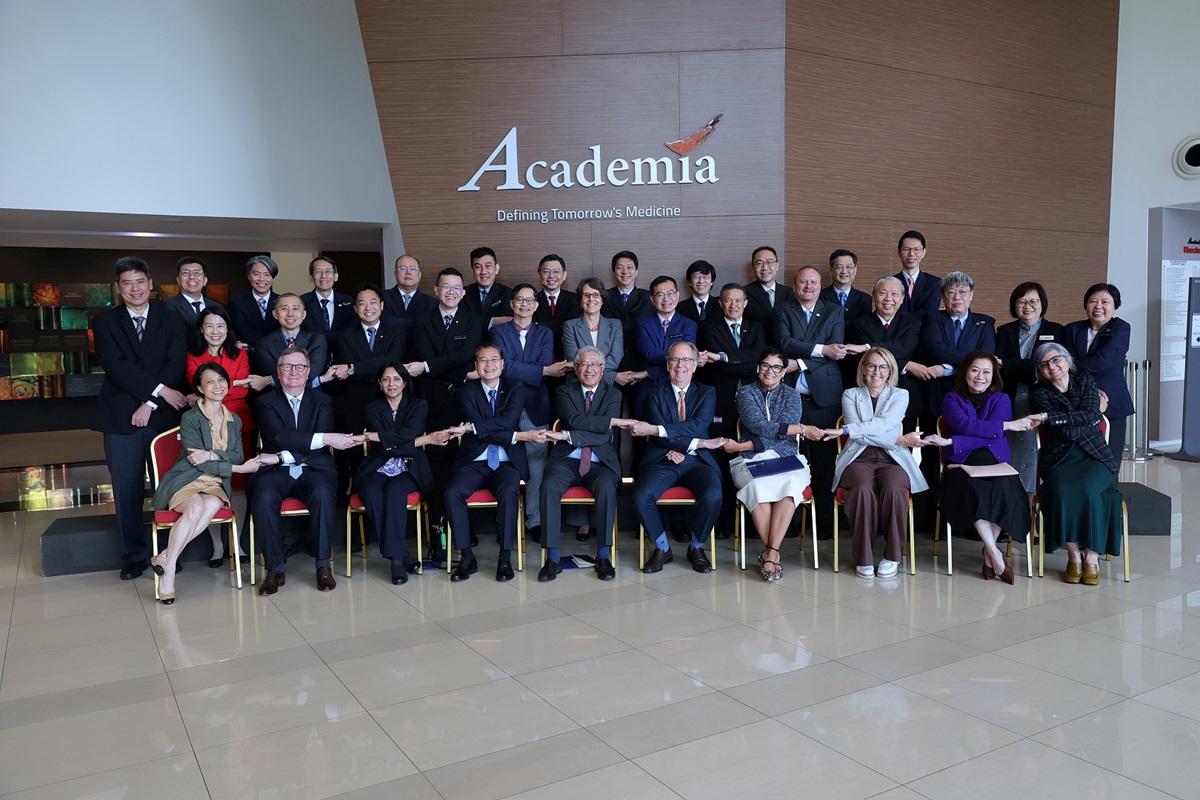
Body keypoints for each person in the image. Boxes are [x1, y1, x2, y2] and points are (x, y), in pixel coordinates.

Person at [92, 256, 189, 580]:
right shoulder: (105, 322)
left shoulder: (172, 319)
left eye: (139, 281)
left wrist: (149, 402)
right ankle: (133, 555)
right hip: (121, 419)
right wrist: (158, 391)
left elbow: (175, 363)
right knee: (127, 489)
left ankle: (171, 551)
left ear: (150, 284)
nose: (134, 288)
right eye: (126, 283)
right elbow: (116, 366)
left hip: (162, 419)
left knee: (171, 488)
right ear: (118, 288)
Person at [150, 363, 270, 602]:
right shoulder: (191, 417)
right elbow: (198, 461)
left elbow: (236, 454)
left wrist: (213, 453)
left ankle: (165, 556)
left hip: (216, 482)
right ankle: (170, 572)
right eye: (210, 382)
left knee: (212, 506)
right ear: (199, 388)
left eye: (221, 380)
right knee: (195, 508)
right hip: (187, 478)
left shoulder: (234, 419)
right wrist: (236, 467)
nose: (217, 386)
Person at [251, 348, 361, 595]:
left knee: (323, 492)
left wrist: (287, 452)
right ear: (278, 372)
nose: (294, 372)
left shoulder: (322, 401)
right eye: (287, 366)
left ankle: (323, 565)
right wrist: (323, 438)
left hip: (314, 468)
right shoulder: (265, 402)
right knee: (264, 496)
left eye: (300, 367)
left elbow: (312, 445)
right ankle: (275, 569)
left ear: (308, 372)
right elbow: (278, 436)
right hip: (275, 471)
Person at [923, 352, 1038, 584]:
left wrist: (954, 441)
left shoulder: (1002, 399)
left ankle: (989, 552)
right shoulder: (951, 398)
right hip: (961, 463)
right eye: (975, 370)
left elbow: (993, 436)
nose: (980, 376)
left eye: (986, 371)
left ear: (994, 375)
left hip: (995, 462)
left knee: (1007, 489)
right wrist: (1006, 425)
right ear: (965, 372)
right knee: (974, 490)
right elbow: (965, 425)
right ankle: (994, 553)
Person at [827, 347, 928, 578]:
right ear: (863, 369)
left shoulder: (901, 394)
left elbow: (883, 424)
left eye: (883, 367)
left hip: (891, 458)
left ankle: (892, 555)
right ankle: (863, 556)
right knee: (862, 488)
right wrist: (899, 438)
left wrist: (845, 429)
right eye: (871, 365)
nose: (876, 372)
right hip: (858, 457)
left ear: (890, 371)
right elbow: (859, 437)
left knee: (894, 488)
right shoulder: (850, 394)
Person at [445, 345, 542, 583]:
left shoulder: (515, 388)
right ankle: (467, 556)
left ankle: (504, 557)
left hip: (506, 461)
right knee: (451, 493)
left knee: (509, 492)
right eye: (482, 361)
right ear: (476, 366)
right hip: (474, 460)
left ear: (502, 364)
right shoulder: (466, 391)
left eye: (493, 360)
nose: (488, 365)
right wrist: (516, 436)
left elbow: (508, 420)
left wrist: (474, 428)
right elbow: (485, 431)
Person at [722, 347, 819, 581]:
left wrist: (743, 445)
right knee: (758, 488)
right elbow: (759, 426)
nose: (770, 371)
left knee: (790, 488)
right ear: (758, 368)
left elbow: (783, 433)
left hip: (787, 459)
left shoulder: (793, 395)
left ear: (784, 371)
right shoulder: (745, 393)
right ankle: (773, 554)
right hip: (751, 461)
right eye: (765, 365)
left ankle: (769, 553)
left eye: (777, 367)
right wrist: (799, 429)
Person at [629, 341, 726, 574]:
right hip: (663, 457)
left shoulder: (707, 392)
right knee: (641, 497)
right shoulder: (654, 394)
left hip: (697, 460)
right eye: (674, 360)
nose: (680, 365)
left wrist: (685, 444)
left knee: (713, 495)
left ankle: (697, 547)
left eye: (686, 360)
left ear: (694, 365)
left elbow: (696, 425)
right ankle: (662, 548)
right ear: (667, 364)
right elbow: (660, 429)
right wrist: (698, 442)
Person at [1030, 342, 1122, 585]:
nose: (1052, 366)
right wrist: (1086, 417)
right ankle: (1073, 556)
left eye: (1056, 360)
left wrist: (1052, 417)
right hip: (1060, 458)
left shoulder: (1086, 381)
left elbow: (1093, 415)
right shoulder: (1040, 394)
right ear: (1040, 371)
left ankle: (1091, 557)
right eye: (1045, 364)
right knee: (1060, 491)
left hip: (1095, 457)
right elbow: (1081, 423)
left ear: (1068, 361)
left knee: (1091, 491)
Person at [911, 271, 996, 525]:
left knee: (967, 452)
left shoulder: (985, 323)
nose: (956, 298)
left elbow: (986, 357)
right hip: (935, 397)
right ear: (943, 298)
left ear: (971, 296)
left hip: (973, 400)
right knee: (931, 455)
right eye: (950, 293)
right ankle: (929, 518)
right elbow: (936, 349)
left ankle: (966, 518)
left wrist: (947, 368)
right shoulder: (932, 319)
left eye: (961, 292)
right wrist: (971, 359)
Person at [537, 348, 628, 582]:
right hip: (567, 459)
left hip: (600, 462)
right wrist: (605, 424)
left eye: (594, 365)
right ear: (576, 369)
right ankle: (553, 558)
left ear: (602, 369)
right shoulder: (564, 391)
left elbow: (605, 436)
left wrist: (570, 435)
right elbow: (573, 420)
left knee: (608, 487)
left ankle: (603, 556)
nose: (589, 370)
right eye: (584, 365)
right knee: (548, 485)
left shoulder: (614, 393)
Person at [357, 363, 453, 585]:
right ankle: (402, 553)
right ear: (380, 384)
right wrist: (424, 440)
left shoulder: (419, 405)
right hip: (378, 465)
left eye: (396, 379)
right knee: (370, 491)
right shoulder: (371, 408)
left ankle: (396, 562)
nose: (391, 384)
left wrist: (378, 437)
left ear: (404, 383)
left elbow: (396, 439)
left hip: (410, 466)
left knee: (395, 490)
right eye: (386, 379)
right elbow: (388, 447)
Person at [405, 268, 482, 535]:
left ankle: (463, 529)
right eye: (446, 287)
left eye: (457, 287)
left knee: (463, 464)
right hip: (432, 401)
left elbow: (466, 354)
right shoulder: (422, 320)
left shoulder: (473, 319)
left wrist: (428, 366)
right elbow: (433, 355)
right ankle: (438, 530)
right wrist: (459, 371)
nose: (451, 292)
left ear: (463, 292)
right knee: (436, 465)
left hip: (464, 402)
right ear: (436, 290)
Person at [490, 284, 568, 543]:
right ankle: (506, 522)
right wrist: (539, 372)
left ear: (536, 305)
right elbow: (504, 367)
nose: (524, 304)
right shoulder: (498, 332)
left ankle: (534, 520)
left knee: (537, 464)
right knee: (504, 461)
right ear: (511, 304)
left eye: (529, 301)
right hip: (504, 405)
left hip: (536, 404)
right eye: (519, 300)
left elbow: (540, 362)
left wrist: (530, 369)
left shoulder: (545, 333)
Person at [186, 308, 260, 566]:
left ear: (228, 329)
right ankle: (217, 547)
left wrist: (212, 394)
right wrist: (233, 385)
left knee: (238, 485)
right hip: (206, 426)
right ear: (201, 330)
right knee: (211, 483)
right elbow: (212, 389)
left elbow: (241, 393)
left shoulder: (239, 353)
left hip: (238, 424)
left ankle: (237, 544)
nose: (215, 332)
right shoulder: (194, 357)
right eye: (209, 326)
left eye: (220, 326)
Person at [777, 265, 845, 535]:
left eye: (813, 282)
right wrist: (819, 350)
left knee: (824, 462)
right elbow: (784, 343)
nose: (808, 286)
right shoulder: (784, 310)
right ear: (795, 287)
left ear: (820, 285)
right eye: (803, 282)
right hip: (791, 398)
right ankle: (791, 525)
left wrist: (801, 362)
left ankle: (824, 526)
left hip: (824, 398)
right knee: (790, 460)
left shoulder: (834, 311)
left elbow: (836, 350)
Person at [326, 284, 407, 498]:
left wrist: (354, 368)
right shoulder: (345, 336)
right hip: (356, 401)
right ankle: (359, 500)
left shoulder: (396, 331)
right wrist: (363, 369)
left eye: (372, 302)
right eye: (362, 303)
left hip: (391, 400)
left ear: (381, 305)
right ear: (355, 309)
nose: (368, 307)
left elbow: (393, 360)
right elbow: (377, 365)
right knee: (356, 453)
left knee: (389, 447)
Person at [995, 281, 1065, 495]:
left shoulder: (1057, 331)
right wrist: (1031, 368)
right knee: (1014, 447)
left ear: (1042, 303)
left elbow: (1055, 367)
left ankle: (1039, 496)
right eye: (1021, 301)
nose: (1028, 306)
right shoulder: (1004, 331)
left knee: (1044, 448)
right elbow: (1000, 368)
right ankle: (1017, 495)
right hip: (1012, 396)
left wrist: (1011, 363)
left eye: (1033, 301)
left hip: (1046, 399)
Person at [1063, 283, 1132, 463]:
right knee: (1080, 457)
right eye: (1093, 301)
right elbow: (1065, 360)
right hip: (1077, 400)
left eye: (1105, 302)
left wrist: (1073, 369)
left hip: (1111, 400)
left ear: (1115, 306)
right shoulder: (1072, 329)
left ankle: (1110, 491)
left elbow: (1104, 360)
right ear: (1085, 305)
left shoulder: (1121, 328)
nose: (1098, 306)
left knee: (1111, 456)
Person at [845, 276, 922, 419]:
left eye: (894, 294)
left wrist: (866, 346)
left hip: (904, 389)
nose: (888, 299)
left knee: (902, 439)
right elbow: (865, 358)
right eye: (882, 293)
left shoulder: (912, 322)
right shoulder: (858, 324)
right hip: (868, 393)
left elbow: (905, 348)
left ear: (902, 298)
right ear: (874, 296)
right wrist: (906, 365)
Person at [252, 293, 331, 389]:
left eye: (296, 308)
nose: (290, 314)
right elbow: (277, 377)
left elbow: (310, 375)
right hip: (277, 398)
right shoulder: (264, 343)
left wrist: (268, 380)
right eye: (284, 308)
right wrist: (320, 380)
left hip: (311, 398)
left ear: (304, 314)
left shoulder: (317, 340)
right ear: (275, 314)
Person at [636, 275, 698, 390]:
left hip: (677, 385)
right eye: (660, 295)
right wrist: (675, 358)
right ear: (652, 299)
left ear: (677, 295)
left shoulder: (689, 325)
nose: (666, 299)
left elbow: (685, 358)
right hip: (648, 387)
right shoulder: (643, 323)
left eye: (670, 293)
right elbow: (649, 354)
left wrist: (648, 372)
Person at [601, 250, 651, 389]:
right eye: (619, 267)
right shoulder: (604, 297)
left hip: (641, 362)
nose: (625, 271)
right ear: (613, 272)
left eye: (629, 267)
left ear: (636, 272)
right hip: (611, 363)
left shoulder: (647, 297)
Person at [562, 277, 623, 382]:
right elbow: (575, 360)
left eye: (596, 295)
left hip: (607, 385)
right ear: (580, 300)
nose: (591, 299)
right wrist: (611, 376)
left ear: (602, 299)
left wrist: (595, 373)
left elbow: (615, 358)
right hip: (578, 381)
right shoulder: (569, 326)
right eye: (586, 295)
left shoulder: (615, 325)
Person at [532, 254, 579, 357]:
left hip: (570, 356)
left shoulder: (576, 300)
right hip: (539, 356)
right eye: (546, 271)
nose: (551, 276)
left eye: (556, 271)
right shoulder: (531, 301)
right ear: (539, 274)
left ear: (564, 275)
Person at [743, 245, 793, 340]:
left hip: (787, 350)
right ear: (753, 267)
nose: (765, 268)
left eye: (770, 262)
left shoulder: (790, 293)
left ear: (777, 266)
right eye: (759, 263)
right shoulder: (744, 294)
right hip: (757, 350)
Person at [229, 255, 281, 347]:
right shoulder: (237, 302)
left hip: (278, 354)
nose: (261, 279)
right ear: (249, 276)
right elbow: (243, 333)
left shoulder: (282, 302)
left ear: (273, 277)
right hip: (249, 355)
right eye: (256, 274)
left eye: (267, 274)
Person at [381, 254, 437, 338]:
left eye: (413, 269)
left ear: (419, 275)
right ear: (395, 274)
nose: (408, 272)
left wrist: (394, 322)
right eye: (403, 268)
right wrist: (416, 323)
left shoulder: (432, 303)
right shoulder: (381, 297)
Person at [300, 255, 355, 336]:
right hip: (312, 348)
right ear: (311, 277)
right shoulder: (302, 302)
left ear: (335, 276)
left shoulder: (348, 301)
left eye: (328, 271)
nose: (323, 276)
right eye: (318, 271)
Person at [461, 246, 513, 332]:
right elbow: (462, 323)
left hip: (496, 343)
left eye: (488, 266)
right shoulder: (463, 293)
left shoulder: (507, 293)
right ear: (473, 270)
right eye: (478, 267)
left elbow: (506, 324)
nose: (483, 271)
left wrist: (476, 322)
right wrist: (492, 321)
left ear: (496, 269)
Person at [166, 256, 226, 328]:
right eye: (185, 273)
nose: (191, 277)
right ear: (178, 280)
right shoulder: (168, 306)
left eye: (197, 273)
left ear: (205, 280)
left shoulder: (217, 306)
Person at [894, 230, 940, 317]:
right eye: (906, 249)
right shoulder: (890, 283)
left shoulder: (934, 283)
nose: (911, 254)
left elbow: (930, 314)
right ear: (899, 252)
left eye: (916, 249)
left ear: (923, 252)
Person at [820, 249, 871, 320]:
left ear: (855, 270)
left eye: (848, 267)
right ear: (831, 270)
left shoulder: (865, 299)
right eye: (839, 267)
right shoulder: (820, 297)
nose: (844, 271)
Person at [677, 259, 718, 324]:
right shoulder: (679, 308)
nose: (701, 281)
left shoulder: (721, 304)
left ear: (712, 282)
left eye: (705, 277)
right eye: (696, 277)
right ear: (689, 282)